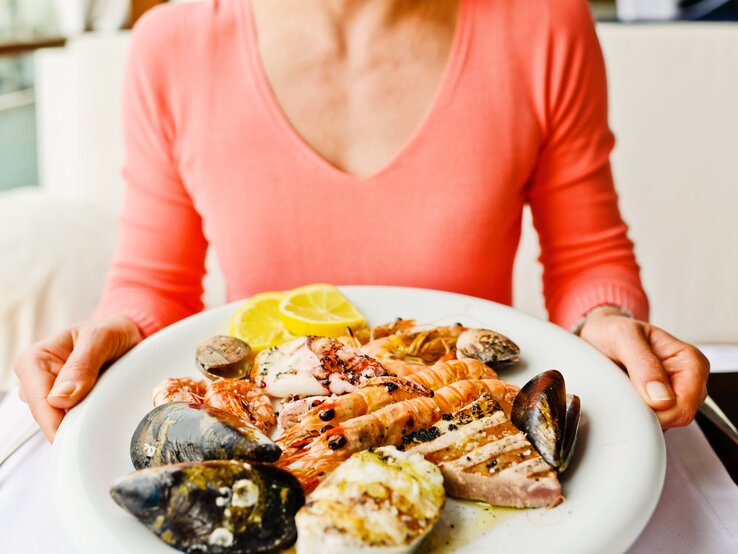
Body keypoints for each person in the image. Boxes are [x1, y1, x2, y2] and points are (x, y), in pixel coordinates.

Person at [14, 0, 709, 442]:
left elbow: (589, 257)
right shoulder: (170, 43)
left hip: (471, 425)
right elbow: (154, 283)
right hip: (274, 436)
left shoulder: (546, 24)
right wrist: (118, 331)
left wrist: (609, 321)